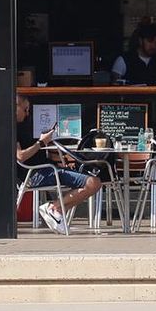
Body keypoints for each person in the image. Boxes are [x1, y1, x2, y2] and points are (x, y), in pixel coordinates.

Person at [15, 94, 101, 234]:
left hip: (46, 169)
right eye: (25, 110)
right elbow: (20, 156)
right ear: (15, 107)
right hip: (34, 174)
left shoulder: (26, 126)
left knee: (93, 182)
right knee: (93, 182)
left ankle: (56, 210)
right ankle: (54, 208)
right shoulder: (11, 128)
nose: (27, 114)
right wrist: (42, 142)